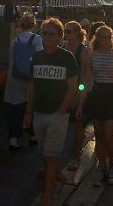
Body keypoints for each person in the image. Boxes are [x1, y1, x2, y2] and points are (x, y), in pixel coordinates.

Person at [23, 18, 78, 206]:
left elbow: (73, 86)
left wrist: (63, 109)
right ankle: (59, 179)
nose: (46, 37)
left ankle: (45, 199)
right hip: (39, 113)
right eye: (44, 33)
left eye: (51, 34)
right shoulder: (37, 56)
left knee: (51, 157)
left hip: (57, 114)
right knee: (45, 155)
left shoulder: (66, 57)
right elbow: (32, 85)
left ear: (60, 37)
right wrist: (28, 113)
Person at [79, 25, 113, 186]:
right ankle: (103, 168)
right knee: (99, 135)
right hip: (96, 95)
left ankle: (112, 165)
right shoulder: (91, 55)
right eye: (103, 37)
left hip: (112, 94)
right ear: (97, 38)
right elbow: (86, 79)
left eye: (109, 37)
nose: (106, 40)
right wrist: (81, 102)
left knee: (108, 136)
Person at [3, 13, 43, 150]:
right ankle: (33, 136)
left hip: (14, 78)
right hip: (31, 79)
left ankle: (13, 140)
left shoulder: (15, 41)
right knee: (32, 106)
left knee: (15, 109)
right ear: (34, 25)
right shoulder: (37, 40)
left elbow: (11, 61)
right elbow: (40, 59)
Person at [63, 21, 90, 171]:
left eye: (69, 31)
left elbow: (85, 76)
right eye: (65, 31)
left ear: (77, 33)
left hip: (77, 93)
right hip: (64, 92)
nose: (66, 34)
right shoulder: (64, 47)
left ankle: (77, 156)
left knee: (77, 127)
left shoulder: (83, 51)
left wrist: (80, 96)